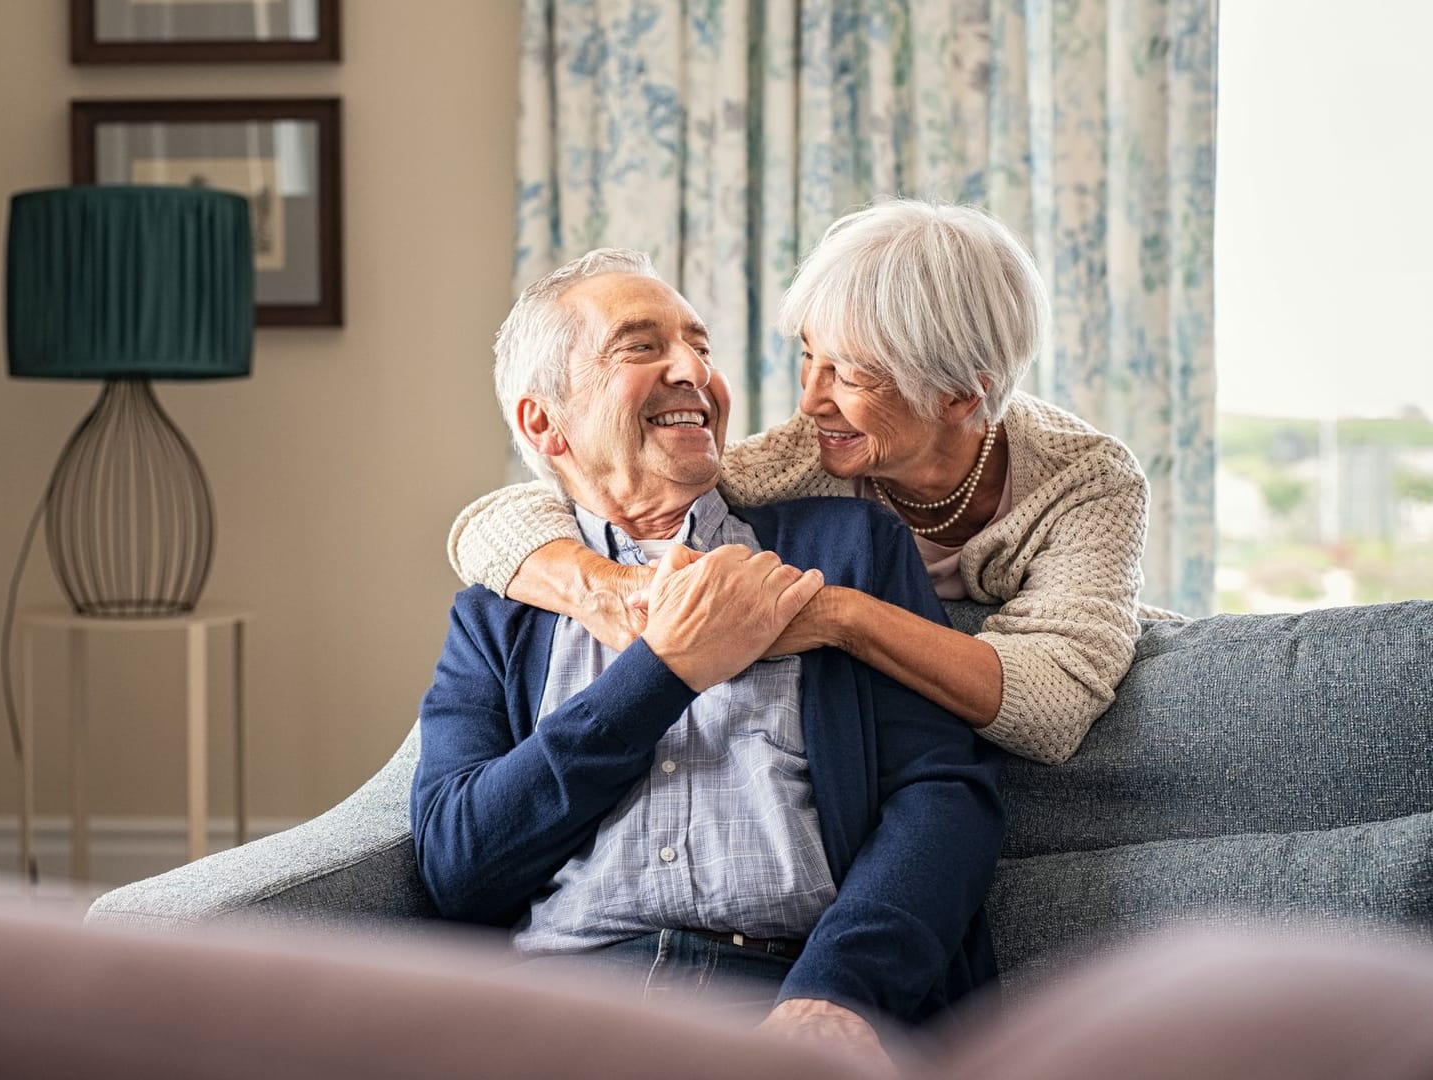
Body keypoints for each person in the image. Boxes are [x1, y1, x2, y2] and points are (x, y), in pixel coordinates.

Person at [411, 249, 1004, 1073]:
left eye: (701, 346)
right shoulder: (499, 611)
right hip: (566, 1010)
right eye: (640, 347)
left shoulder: (844, 550)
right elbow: (457, 865)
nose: (694, 370)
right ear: (545, 423)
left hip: (784, 993)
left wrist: (838, 994)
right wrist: (665, 671)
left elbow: (945, 798)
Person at [449, 200, 1153, 765]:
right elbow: (500, 519)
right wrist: (607, 588)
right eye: (809, 359)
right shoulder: (799, 459)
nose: (811, 401)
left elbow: (1054, 706)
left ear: (960, 396)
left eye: (848, 375)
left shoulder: (1086, 482)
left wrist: (839, 617)